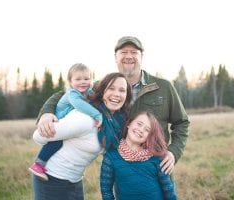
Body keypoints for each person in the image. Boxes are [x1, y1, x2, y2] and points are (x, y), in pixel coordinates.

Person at [37, 36, 190, 174]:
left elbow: (182, 122)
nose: (129, 56)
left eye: (134, 52)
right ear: (115, 58)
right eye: (123, 52)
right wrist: (46, 113)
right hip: (121, 170)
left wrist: (173, 152)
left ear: (141, 57)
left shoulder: (163, 87)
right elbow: (66, 94)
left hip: (157, 167)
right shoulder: (104, 86)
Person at [32, 72, 132, 200]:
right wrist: (47, 119)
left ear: (126, 96)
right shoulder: (85, 118)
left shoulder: (115, 122)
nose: (116, 94)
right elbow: (38, 137)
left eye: (122, 90)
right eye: (111, 88)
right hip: (52, 178)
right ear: (102, 92)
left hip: (75, 181)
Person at [29, 63, 103, 181]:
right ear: (70, 82)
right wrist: (97, 115)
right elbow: (80, 105)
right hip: (58, 120)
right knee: (56, 142)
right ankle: (38, 164)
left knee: (64, 141)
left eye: (86, 78)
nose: (83, 82)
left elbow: (95, 98)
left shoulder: (88, 92)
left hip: (67, 122)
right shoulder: (71, 93)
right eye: (78, 79)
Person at [100, 110, 177, 200]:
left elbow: (168, 190)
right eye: (139, 124)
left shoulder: (157, 157)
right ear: (129, 124)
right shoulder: (111, 156)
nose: (141, 130)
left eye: (147, 130)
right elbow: (106, 191)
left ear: (149, 136)